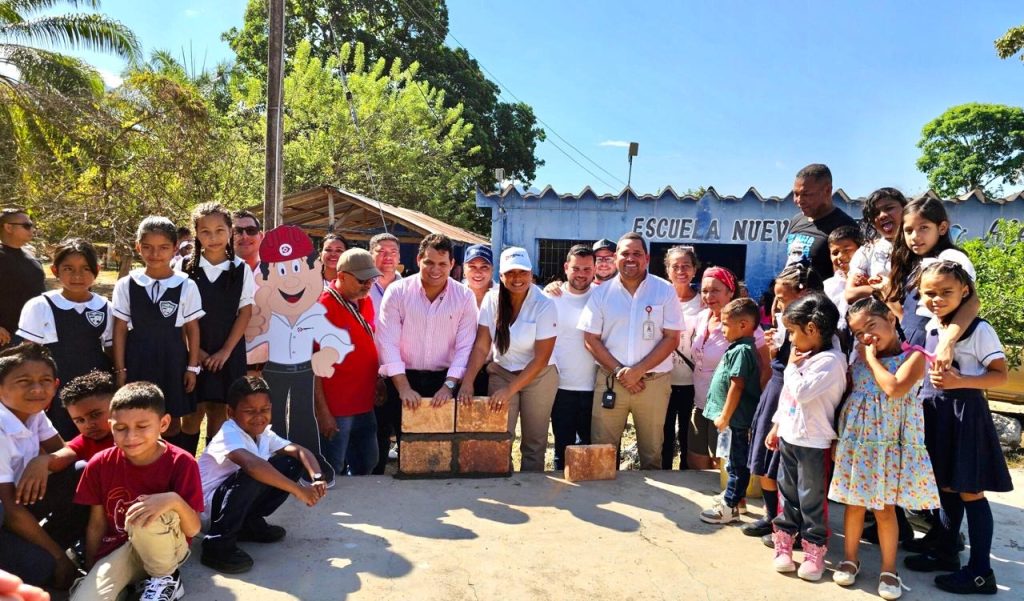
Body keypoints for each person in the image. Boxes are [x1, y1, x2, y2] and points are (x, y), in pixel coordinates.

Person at [904, 261, 1012, 595]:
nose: (937, 299)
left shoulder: (979, 330)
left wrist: (960, 380)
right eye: (930, 293)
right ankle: (947, 552)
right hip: (937, 412)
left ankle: (981, 571)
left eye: (946, 292)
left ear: (965, 291)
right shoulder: (935, 327)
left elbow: (1000, 374)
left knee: (970, 490)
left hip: (965, 413)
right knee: (946, 487)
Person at [830, 297, 938, 600]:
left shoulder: (914, 357)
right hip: (858, 444)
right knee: (854, 505)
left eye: (871, 326)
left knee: (885, 509)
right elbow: (850, 399)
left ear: (891, 319)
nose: (866, 336)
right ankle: (850, 559)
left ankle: (889, 569)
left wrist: (871, 359)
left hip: (891, 448)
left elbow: (893, 389)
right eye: (858, 333)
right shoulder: (859, 362)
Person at [71, 382, 203, 601]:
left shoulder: (182, 462)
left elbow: (193, 528)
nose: (131, 436)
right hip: (120, 549)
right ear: (110, 425)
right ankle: (137, 583)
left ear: (163, 423)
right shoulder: (100, 464)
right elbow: (97, 523)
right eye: (121, 428)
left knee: (147, 511)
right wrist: (92, 568)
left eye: (142, 426)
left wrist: (173, 500)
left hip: (167, 549)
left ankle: (166, 579)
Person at [244, 226, 353, 487]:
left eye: (298, 270)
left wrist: (328, 353)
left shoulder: (313, 312)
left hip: (305, 371)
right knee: (275, 418)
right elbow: (252, 345)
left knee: (305, 418)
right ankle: (274, 466)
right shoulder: (266, 315)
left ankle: (311, 466)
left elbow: (335, 338)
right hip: (274, 372)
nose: (291, 281)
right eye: (282, 272)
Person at [199, 376, 327, 574]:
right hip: (209, 512)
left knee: (291, 463)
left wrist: (317, 477)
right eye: (249, 411)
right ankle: (217, 545)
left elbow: (300, 451)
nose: (259, 416)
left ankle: (248, 524)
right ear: (230, 413)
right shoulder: (228, 433)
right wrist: (299, 491)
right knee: (255, 472)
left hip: (233, 501)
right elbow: (251, 466)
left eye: (265, 410)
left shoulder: (263, 434)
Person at [578, 233, 683, 470]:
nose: (630, 258)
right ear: (616, 258)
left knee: (652, 452)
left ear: (646, 258)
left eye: (637, 253)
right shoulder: (601, 293)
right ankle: (607, 503)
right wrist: (619, 371)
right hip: (611, 381)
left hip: (653, 383)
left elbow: (672, 338)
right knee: (602, 452)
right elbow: (590, 338)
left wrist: (638, 370)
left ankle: (649, 503)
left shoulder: (664, 290)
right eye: (625, 253)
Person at [375, 233, 477, 474]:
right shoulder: (397, 292)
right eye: (429, 262)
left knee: (438, 451)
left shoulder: (464, 297)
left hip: (442, 380)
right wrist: (402, 387)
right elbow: (387, 342)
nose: (435, 269)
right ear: (419, 259)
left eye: (442, 264)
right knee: (394, 443)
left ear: (453, 265)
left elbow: (465, 346)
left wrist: (449, 385)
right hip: (400, 377)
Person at [766, 293, 846, 582]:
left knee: (811, 497)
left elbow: (801, 391)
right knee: (786, 493)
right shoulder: (805, 357)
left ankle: (814, 549)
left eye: (792, 331)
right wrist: (777, 426)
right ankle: (784, 544)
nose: (790, 339)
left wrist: (790, 366)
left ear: (811, 329)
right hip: (790, 435)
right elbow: (789, 398)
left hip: (814, 442)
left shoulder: (831, 361)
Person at [458, 247, 558, 472]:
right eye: (510, 273)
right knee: (499, 434)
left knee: (534, 439)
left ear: (531, 274)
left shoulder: (544, 303)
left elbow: (541, 358)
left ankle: (532, 486)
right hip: (502, 371)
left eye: (522, 272)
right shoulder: (492, 300)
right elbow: (482, 345)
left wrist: (509, 391)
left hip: (539, 375)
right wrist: (467, 382)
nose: (517, 278)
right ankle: (503, 484)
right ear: (501, 276)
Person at [745, 263, 822, 542]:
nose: (778, 305)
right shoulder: (784, 324)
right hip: (778, 386)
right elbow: (776, 364)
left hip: (797, 395)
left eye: (785, 298)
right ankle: (771, 515)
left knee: (788, 468)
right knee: (764, 459)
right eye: (776, 298)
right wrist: (773, 349)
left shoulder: (816, 331)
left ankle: (794, 524)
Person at [111, 217, 204, 449]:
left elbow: (192, 328)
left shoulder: (186, 284)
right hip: (138, 359)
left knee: (170, 421)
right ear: (138, 247)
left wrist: (192, 367)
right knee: (137, 415)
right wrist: (120, 369)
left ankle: (170, 468)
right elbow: (120, 328)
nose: (155, 254)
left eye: (163, 247)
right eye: (148, 247)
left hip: (172, 360)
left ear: (174, 249)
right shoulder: (127, 284)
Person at [0, 343, 86, 590]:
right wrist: (59, 558)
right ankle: (47, 556)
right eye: (24, 381)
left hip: (17, 505)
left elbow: (69, 452)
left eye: (45, 380)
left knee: (83, 473)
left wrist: (44, 460)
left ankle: (42, 549)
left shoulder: (32, 412)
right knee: (43, 570)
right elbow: (9, 510)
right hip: (6, 512)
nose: (37, 389)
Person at [16, 238, 113, 439]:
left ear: (97, 269)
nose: (77, 275)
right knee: (59, 442)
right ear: (54, 270)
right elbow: (28, 356)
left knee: (97, 438)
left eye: (85, 268)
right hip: (56, 388)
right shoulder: (40, 306)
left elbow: (112, 349)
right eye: (68, 268)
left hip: (97, 390)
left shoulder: (105, 307)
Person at [180, 203, 255, 454]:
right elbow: (178, 317)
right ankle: (186, 471)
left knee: (219, 412)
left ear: (231, 231)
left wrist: (225, 352)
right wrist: (196, 353)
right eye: (205, 232)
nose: (213, 238)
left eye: (220, 231)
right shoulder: (183, 269)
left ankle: (209, 475)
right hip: (191, 354)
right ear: (196, 233)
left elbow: (245, 312)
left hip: (228, 353)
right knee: (191, 413)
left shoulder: (241, 269)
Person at [691, 267, 769, 471]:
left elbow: (766, 368)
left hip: (728, 409)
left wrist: (750, 402)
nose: (709, 296)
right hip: (700, 403)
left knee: (722, 464)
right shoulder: (702, 318)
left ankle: (728, 501)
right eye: (705, 291)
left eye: (715, 290)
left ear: (730, 291)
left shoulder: (744, 326)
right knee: (696, 461)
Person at [885, 197, 979, 355]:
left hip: (933, 347)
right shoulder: (913, 263)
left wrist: (947, 344)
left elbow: (972, 303)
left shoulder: (949, 258)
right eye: (908, 230)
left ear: (942, 228)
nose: (914, 236)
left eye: (924, 228)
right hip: (908, 345)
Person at [316, 249, 381, 476]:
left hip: (364, 403)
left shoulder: (365, 301)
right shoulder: (322, 306)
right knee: (332, 468)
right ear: (342, 276)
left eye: (372, 279)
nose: (368, 284)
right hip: (336, 409)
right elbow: (311, 367)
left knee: (368, 462)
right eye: (362, 280)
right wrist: (322, 412)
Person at [699, 298, 762, 524]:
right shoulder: (738, 348)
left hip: (737, 419)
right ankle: (738, 499)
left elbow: (737, 384)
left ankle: (730, 507)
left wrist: (725, 416)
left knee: (736, 464)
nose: (721, 328)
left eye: (725, 324)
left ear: (743, 325)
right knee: (733, 460)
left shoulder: (742, 351)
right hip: (733, 420)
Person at [546, 244, 597, 470]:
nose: (581, 274)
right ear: (566, 267)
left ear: (594, 270)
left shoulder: (602, 296)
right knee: (562, 449)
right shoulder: (550, 297)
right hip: (560, 386)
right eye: (576, 268)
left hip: (595, 386)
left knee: (589, 450)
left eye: (587, 269)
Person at [29, 371, 116, 474]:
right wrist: (42, 462)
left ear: (116, 407)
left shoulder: (135, 436)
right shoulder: (85, 441)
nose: (88, 425)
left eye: (95, 415)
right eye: (80, 420)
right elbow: (65, 454)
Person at [663, 246, 702, 470]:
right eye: (675, 266)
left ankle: (688, 476)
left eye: (686, 266)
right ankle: (665, 477)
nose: (681, 271)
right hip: (663, 380)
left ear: (694, 270)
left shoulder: (704, 301)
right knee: (664, 434)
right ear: (667, 270)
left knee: (689, 436)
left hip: (692, 381)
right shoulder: (659, 297)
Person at [785, 164, 858, 279]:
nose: (799, 200)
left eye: (806, 194)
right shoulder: (796, 220)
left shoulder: (844, 226)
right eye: (796, 194)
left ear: (827, 190)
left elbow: (848, 276)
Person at [845, 188, 907, 305]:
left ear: (906, 209)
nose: (882, 215)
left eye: (889, 208)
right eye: (875, 213)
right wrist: (883, 289)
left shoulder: (919, 245)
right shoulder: (867, 251)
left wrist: (871, 287)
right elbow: (851, 294)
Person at [0, 208, 45, 349]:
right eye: (26, 226)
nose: (32, 230)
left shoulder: (33, 259)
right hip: (5, 337)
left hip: (34, 335)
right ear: (8, 227)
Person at [231, 210, 266, 374]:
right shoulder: (216, 273)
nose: (244, 236)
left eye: (250, 231)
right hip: (227, 366)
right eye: (237, 231)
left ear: (261, 236)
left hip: (269, 369)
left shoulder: (279, 273)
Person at [462, 244, 494, 396]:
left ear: (492, 269)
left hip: (491, 372)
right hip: (457, 372)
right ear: (464, 269)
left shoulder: (503, 296)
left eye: (484, 267)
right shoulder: (453, 294)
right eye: (472, 266)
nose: (478, 272)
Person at [822, 225, 863, 330]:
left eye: (847, 250)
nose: (840, 256)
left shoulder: (870, 282)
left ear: (861, 250)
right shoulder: (827, 287)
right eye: (835, 253)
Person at [369, 232, 402, 316]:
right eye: (381, 251)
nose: (388, 256)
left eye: (393, 252)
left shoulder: (408, 289)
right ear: (370, 256)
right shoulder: (360, 286)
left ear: (399, 257)